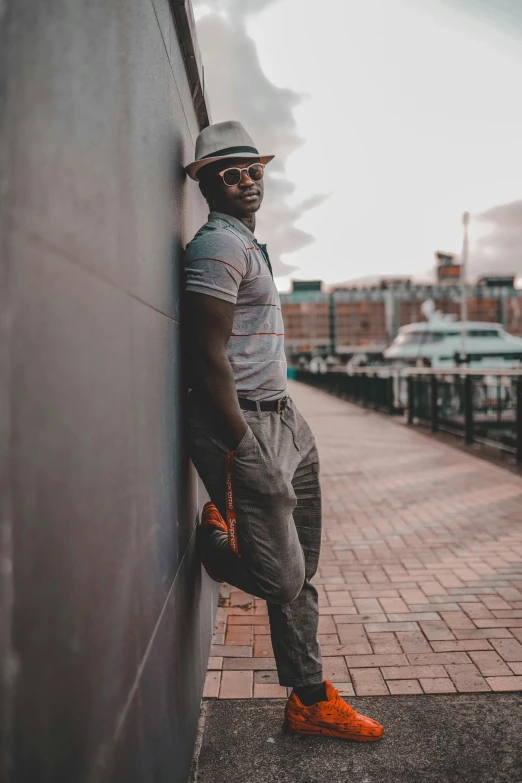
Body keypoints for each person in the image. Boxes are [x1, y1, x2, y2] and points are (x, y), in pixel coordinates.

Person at [183, 121, 384, 741]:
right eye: (232, 173)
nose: (248, 181)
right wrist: (242, 441)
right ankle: (215, 547)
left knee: (303, 566)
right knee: (281, 578)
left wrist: (277, 424)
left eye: (254, 170)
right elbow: (206, 352)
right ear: (208, 184)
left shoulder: (249, 244)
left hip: (283, 417)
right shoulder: (217, 245)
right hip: (245, 424)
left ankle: (309, 699)